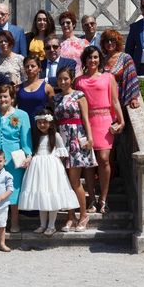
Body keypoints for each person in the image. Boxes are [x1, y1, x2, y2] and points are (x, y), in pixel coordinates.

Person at [75, 46, 124, 214]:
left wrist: (121, 120)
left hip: (104, 120)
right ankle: (92, 199)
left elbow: (115, 101)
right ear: (85, 61)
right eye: (89, 57)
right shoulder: (79, 81)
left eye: (95, 57)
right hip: (86, 122)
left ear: (99, 59)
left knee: (103, 159)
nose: (93, 60)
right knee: (88, 163)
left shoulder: (108, 77)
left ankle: (104, 198)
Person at [18, 109, 79, 236]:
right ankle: (42, 224)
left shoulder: (55, 136)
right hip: (37, 168)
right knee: (42, 195)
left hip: (51, 168)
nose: (42, 125)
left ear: (50, 123)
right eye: (39, 123)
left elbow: (62, 152)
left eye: (44, 122)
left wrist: (53, 164)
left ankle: (51, 225)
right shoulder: (36, 137)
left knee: (52, 194)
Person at [54, 67, 96, 232]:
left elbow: (86, 118)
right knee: (65, 182)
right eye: (60, 79)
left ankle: (83, 214)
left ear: (71, 79)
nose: (62, 82)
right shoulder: (56, 98)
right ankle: (70, 215)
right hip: (62, 139)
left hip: (76, 139)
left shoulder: (79, 95)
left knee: (75, 181)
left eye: (65, 78)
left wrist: (90, 138)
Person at [0, 84, 32, 233]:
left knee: (13, 190)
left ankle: (14, 221)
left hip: (14, 158)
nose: (2, 99)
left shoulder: (22, 115)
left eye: (5, 96)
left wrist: (28, 155)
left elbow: (26, 138)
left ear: (12, 98)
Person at [101, 29, 140, 109]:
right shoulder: (101, 60)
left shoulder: (125, 58)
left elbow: (132, 79)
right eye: (107, 41)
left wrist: (134, 98)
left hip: (120, 100)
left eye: (112, 40)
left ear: (117, 42)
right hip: (104, 101)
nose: (109, 43)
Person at [17, 55, 54, 123]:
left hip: (41, 126)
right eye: (27, 66)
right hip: (22, 125)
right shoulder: (18, 88)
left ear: (39, 68)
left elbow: (53, 109)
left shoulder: (47, 87)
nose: (29, 68)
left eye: (33, 66)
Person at [58, 11, 88, 77]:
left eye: (68, 22)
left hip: (78, 78)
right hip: (61, 79)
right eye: (63, 23)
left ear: (73, 24)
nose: (65, 25)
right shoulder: (57, 43)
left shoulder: (83, 43)